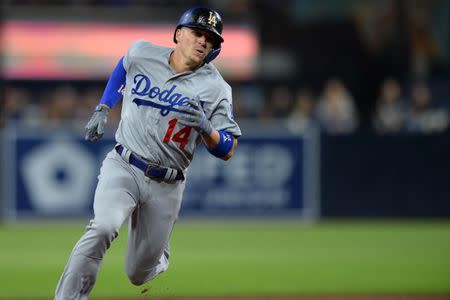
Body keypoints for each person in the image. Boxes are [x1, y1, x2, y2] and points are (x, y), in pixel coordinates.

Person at [55, 7, 241, 299]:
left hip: (167, 184)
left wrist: (207, 129)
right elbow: (124, 64)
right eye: (198, 33)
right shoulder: (143, 53)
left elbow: (229, 149)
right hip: (125, 164)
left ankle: (157, 254)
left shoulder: (217, 88)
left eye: (210, 39)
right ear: (179, 34)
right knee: (102, 227)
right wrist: (104, 106)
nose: (203, 41)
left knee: (137, 274)